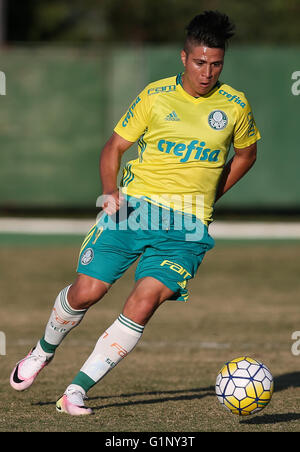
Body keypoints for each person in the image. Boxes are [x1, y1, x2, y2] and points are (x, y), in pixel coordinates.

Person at [10, 11, 260, 415]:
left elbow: (247, 154)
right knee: (88, 291)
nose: (207, 72)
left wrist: (212, 195)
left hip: (188, 226)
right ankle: (43, 350)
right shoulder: (155, 96)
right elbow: (113, 148)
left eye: (216, 64)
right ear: (183, 58)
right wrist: (110, 192)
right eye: (200, 62)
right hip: (134, 209)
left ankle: (76, 391)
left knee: (144, 301)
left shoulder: (235, 105)